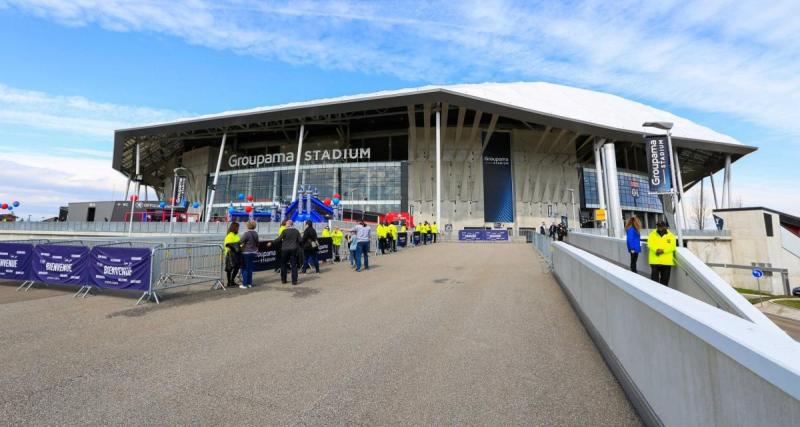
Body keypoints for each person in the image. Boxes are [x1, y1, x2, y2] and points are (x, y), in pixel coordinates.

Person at [271, 219, 302, 285]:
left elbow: (279, 239)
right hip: (293, 249)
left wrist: (272, 242)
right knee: (294, 265)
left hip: (285, 249)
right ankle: (294, 281)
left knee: (283, 264)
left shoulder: (284, 231)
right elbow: (300, 240)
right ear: (292, 224)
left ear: (287, 224)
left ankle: (284, 280)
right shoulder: (296, 231)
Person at [648, 221, 677, 287]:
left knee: (665, 282)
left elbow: (673, 247)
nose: (659, 227)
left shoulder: (671, 236)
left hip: (666, 262)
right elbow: (649, 244)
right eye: (658, 226)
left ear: (665, 227)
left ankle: (663, 295)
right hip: (654, 261)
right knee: (654, 283)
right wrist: (656, 250)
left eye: (661, 226)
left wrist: (663, 251)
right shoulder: (652, 234)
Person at [239, 221, 259, 288]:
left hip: (246, 252)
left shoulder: (246, 234)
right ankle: (250, 283)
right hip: (253, 252)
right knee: (250, 268)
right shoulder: (256, 233)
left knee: (244, 268)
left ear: (248, 226)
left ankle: (245, 284)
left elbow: (240, 241)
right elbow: (257, 243)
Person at [223, 222, 242, 288]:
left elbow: (239, 243)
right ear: (234, 228)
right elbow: (227, 245)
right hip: (230, 255)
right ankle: (229, 282)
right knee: (229, 268)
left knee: (237, 267)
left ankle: (232, 280)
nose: (238, 229)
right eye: (237, 228)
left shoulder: (237, 235)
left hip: (236, 254)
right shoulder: (229, 236)